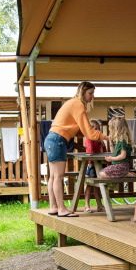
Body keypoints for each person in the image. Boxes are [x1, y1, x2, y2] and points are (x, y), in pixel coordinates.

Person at [44, 81, 110, 217]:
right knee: (58, 176)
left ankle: (54, 207)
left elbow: (78, 128)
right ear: (83, 92)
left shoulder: (72, 103)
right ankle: (62, 209)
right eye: (90, 93)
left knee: (52, 176)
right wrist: (106, 137)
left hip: (51, 139)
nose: (92, 97)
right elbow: (89, 132)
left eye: (93, 93)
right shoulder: (78, 105)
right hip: (58, 140)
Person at [84, 119, 107, 213]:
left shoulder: (101, 141)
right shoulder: (89, 139)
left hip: (100, 164)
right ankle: (86, 205)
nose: (97, 131)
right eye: (95, 129)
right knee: (90, 185)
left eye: (98, 129)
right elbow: (90, 151)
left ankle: (99, 205)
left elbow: (104, 152)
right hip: (92, 164)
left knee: (98, 185)